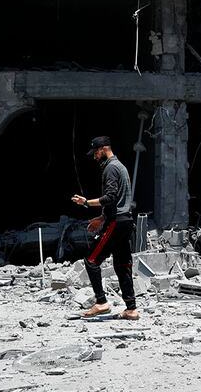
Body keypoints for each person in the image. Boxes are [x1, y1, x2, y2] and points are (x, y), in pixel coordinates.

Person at [70, 136, 139, 320]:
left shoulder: (110, 168)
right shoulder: (121, 167)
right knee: (122, 265)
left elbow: (110, 197)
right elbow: (120, 201)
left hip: (116, 222)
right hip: (125, 221)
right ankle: (131, 309)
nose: (94, 157)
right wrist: (101, 218)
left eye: (95, 153)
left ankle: (101, 302)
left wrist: (86, 203)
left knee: (91, 260)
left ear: (103, 149)